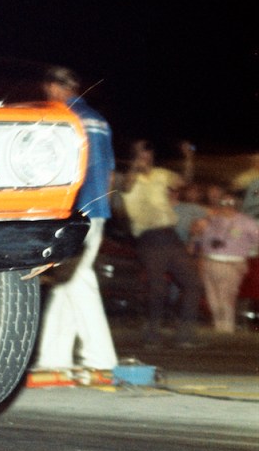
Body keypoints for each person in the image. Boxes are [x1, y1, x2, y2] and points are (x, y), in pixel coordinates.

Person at [32, 66, 118, 379]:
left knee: (78, 280)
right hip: (97, 209)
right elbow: (109, 172)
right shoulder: (98, 120)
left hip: (73, 210)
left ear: (53, 88)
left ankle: (101, 357)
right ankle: (54, 358)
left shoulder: (61, 117)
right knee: (67, 283)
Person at [118, 139, 202, 347]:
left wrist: (189, 158)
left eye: (148, 153)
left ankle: (185, 335)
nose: (145, 157)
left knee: (193, 283)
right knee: (158, 288)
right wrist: (135, 166)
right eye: (140, 153)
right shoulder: (127, 177)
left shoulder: (161, 174)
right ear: (134, 157)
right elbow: (126, 187)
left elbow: (185, 181)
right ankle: (152, 334)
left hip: (169, 234)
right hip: (149, 238)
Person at [190, 187, 259, 332]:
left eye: (230, 203)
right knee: (213, 298)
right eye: (223, 203)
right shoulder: (211, 221)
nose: (227, 206)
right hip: (210, 262)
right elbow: (198, 239)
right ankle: (219, 328)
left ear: (236, 204)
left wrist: (246, 252)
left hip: (231, 263)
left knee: (226, 297)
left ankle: (226, 329)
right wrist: (196, 230)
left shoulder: (246, 222)